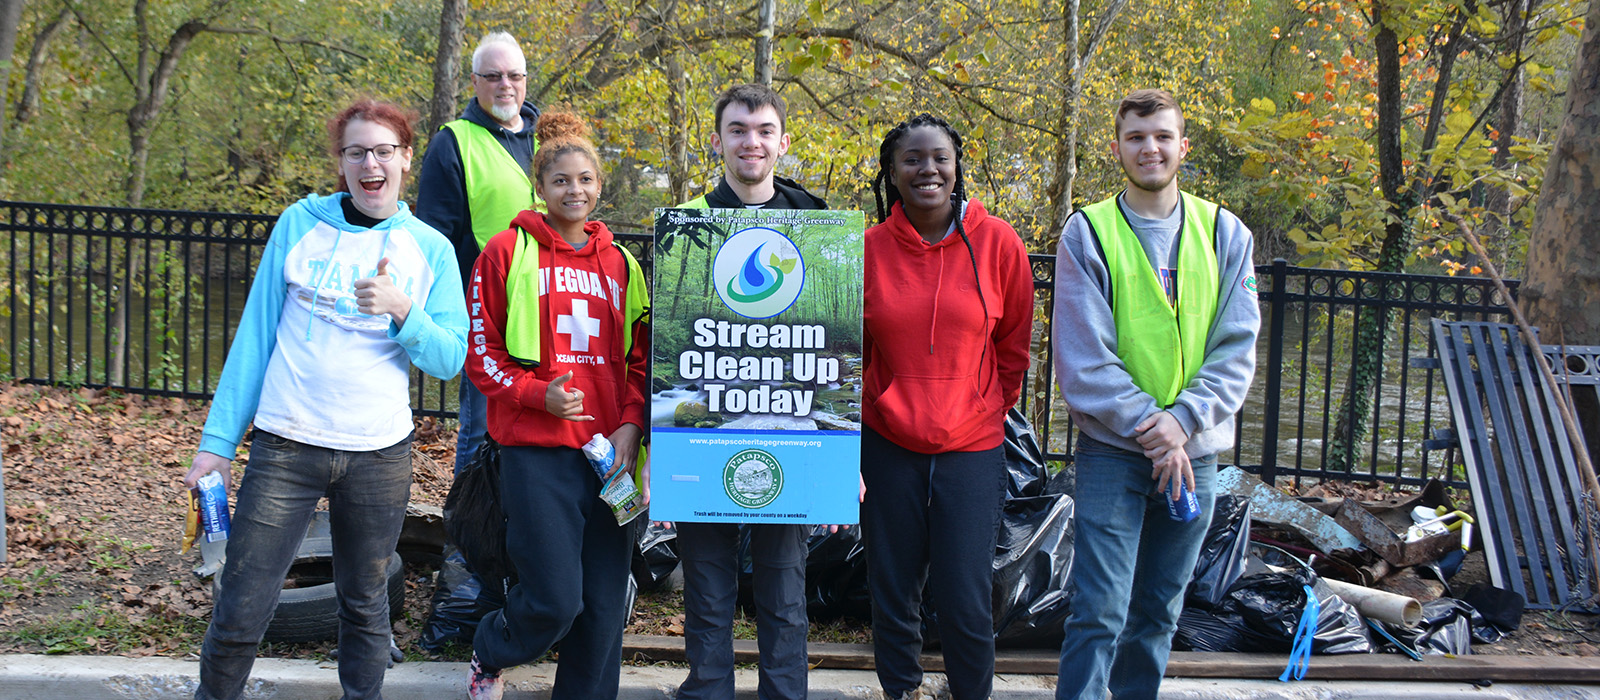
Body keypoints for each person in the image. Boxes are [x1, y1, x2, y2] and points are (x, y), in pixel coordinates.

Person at [185, 99, 468, 700]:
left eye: (384, 151)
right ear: (341, 161)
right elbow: (255, 337)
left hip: (378, 454)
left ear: (406, 159)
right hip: (286, 443)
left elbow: (449, 358)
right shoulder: (299, 224)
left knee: (365, 606)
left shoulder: (431, 249)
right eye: (357, 151)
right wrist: (217, 446)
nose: (371, 164)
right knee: (243, 601)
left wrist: (402, 311)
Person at [1051, 88, 1260, 700]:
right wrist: (1156, 426)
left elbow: (1236, 346)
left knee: (1160, 613)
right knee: (1099, 612)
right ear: (1117, 146)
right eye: (1137, 137)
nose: (1150, 148)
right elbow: (1084, 361)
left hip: (1194, 456)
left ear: (1182, 146)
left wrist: (1184, 424)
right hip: (1113, 456)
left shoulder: (1225, 232)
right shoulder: (1088, 233)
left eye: (1163, 136)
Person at [462, 111, 650, 700]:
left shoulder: (624, 265)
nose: (576, 191)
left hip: (610, 459)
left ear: (600, 186)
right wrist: (535, 394)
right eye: (562, 180)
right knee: (554, 600)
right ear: (540, 188)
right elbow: (481, 353)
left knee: (601, 610)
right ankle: (490, 650)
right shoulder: (504, 252)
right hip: (536, 454)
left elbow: (644, 363)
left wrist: (631, 426)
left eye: (586, 179)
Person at [859, 113, 1033, 700]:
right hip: (888, 447)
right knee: (893, 587)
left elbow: (1013, 348)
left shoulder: (1000, 243)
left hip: (972, 448)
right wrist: (874, 411)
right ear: (891, 172)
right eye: (911, 159)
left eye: (939, 158)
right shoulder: (868, 250)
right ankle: (900, 690)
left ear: (957, 167)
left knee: (964, 594)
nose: (926, 169)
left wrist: (983, 408)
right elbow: (848, 355)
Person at [673, 83, 826, 700]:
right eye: (738, 129)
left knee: (784, 584)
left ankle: (784, 694)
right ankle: (708, 690)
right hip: (706, 425)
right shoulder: (688, 228)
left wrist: (842, 456)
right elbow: (671, 338)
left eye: (763, 131)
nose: (751, 142)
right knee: (707, 584)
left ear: (783, 143)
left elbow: (835, 345)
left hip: (786, 427)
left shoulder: (815, 230)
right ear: (718, 140)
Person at [415, 30, 541, 476]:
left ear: (526, 80)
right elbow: (435, 241)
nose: (505, 84)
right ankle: (467, 542)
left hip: (553, 310)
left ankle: (520, 533)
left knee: (542, 426)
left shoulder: (549, 138)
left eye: (514, 75)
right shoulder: (454, 142)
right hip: (487, 313)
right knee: (480, 429)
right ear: (474, 81)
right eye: (493, 76)